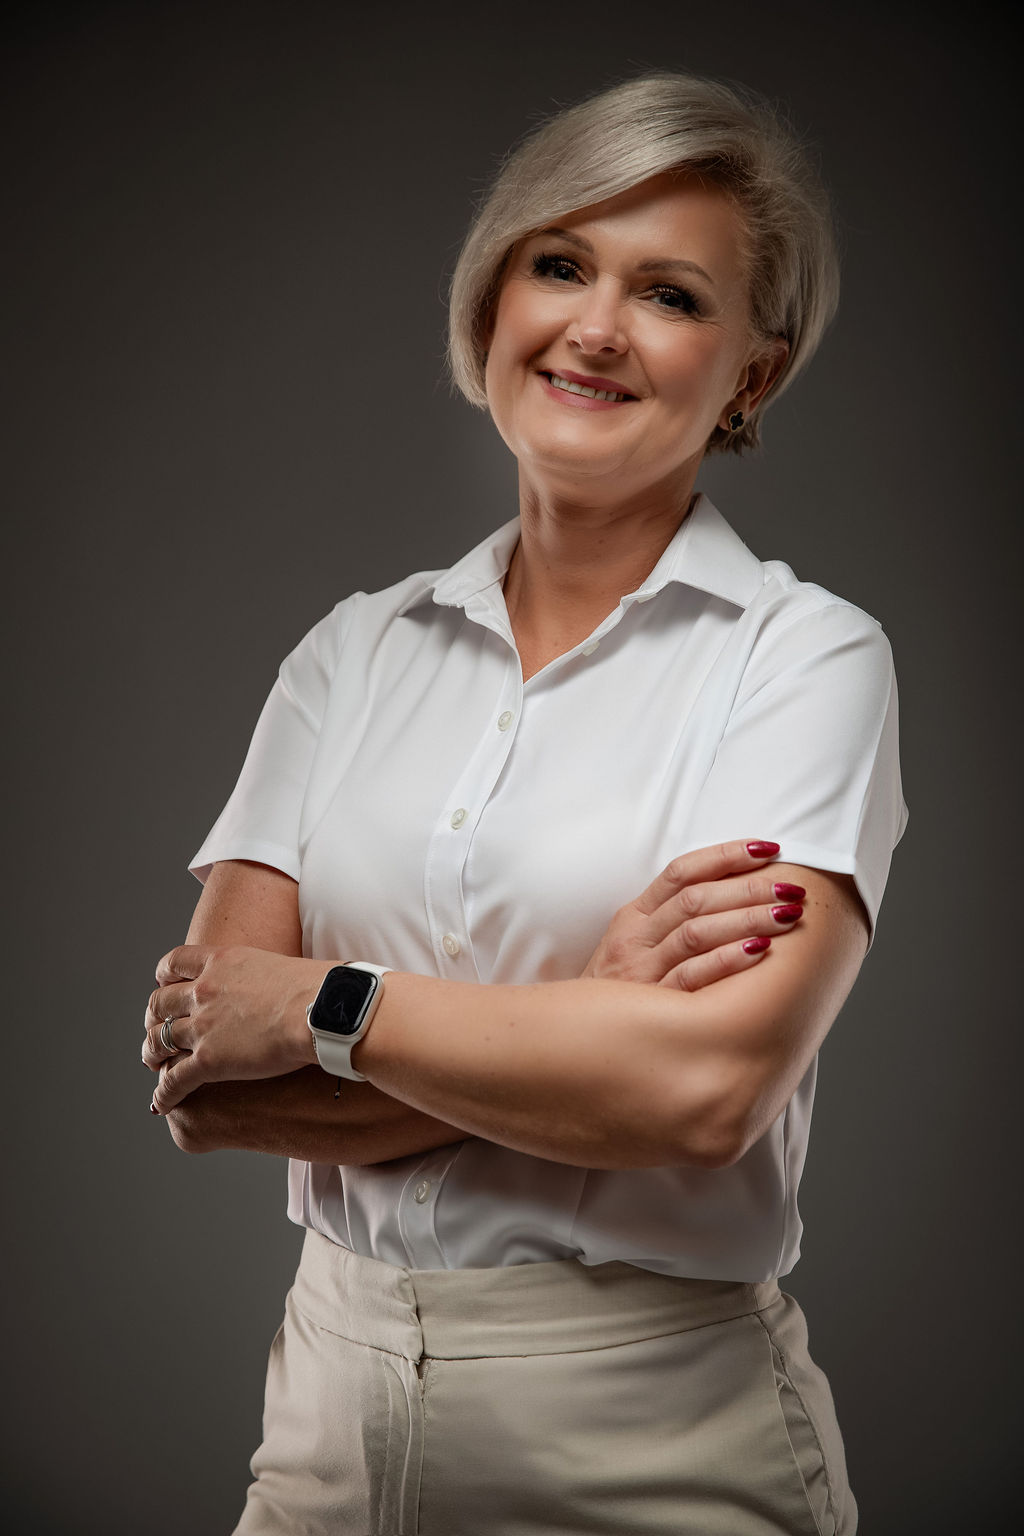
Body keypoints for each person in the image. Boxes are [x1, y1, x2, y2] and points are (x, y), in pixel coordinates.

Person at [142, 71, 906, 1535]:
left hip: (653, 1450)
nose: (597, 327)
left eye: (671, 294)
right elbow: (211, 1091)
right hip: (321, 1442)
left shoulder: (805, 659)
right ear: (494, 302)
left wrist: (331, 1009)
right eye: (560, 265)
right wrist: (586, 1009)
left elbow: (698, 1096)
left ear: (751, 372)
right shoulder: (349, 653)